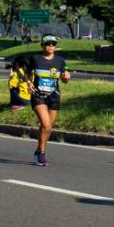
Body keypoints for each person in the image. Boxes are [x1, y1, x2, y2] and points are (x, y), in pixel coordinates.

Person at [27, 35, 71, 167]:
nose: (50, 46)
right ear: (42, 45)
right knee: (46, 124)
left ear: (56, 46)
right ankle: (41, 152)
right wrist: (28, 82)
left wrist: (66, 77)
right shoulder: (35, 58)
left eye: (53, 43)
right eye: (47, 43)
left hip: (54, 96)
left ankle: (38, 150)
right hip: (38, 95)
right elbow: (27, 72)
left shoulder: (60, 61)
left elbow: (64, 79)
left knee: (48, 127)